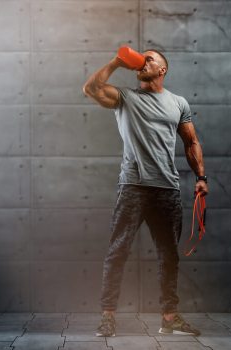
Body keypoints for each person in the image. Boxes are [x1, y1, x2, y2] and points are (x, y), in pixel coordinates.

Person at [82, 48, 209, 337]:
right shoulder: (125, 98)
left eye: (150, 59)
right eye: (143, 57)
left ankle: (169, 319)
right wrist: (117, 60)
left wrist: (202, 176)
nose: (144, 61)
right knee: (118, 251)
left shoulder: (178, 103)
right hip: (133, 187)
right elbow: (90, 88)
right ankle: (108, 317)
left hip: (167, 189)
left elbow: (191, 142)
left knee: (169, 255)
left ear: (162, 70)